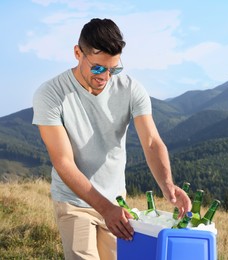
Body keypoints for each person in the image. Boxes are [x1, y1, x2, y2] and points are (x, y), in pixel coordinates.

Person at [32, 18, 192, 259]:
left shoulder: (131, 89)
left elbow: (151, 142)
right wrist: (105, 208)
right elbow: (63, 161)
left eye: (113, 69)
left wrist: (168, 186)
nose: (105, 76)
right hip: (74, 201)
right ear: (78, 53)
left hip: (118, 204)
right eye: (97, 67)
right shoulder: (50, 94)